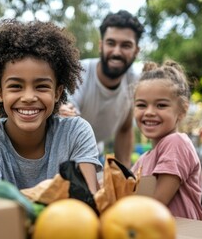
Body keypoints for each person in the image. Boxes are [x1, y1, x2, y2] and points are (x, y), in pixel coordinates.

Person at [0, 19, 103, 194]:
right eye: (16, 86)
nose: (29, 97)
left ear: (57, 93)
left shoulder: (75, 133)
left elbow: (87, 201)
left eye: (41, 86)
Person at [59, 10, 144, 168]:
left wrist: (124, 175)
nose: (117, 52)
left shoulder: (135, 82)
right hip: (60, 156)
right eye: (111, 43)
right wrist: (64, 110)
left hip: (94, 155)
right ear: (101, 45)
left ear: (136, 51)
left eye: (126, 45)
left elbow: (125, 128)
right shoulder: (80, 73)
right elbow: (67, 115)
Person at [131, 60, 202, 220]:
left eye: (161, 105)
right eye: (142, 105)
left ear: (182, 110)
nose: (149, 112)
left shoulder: (176, 143)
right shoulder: (143, 160)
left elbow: (157, 203)